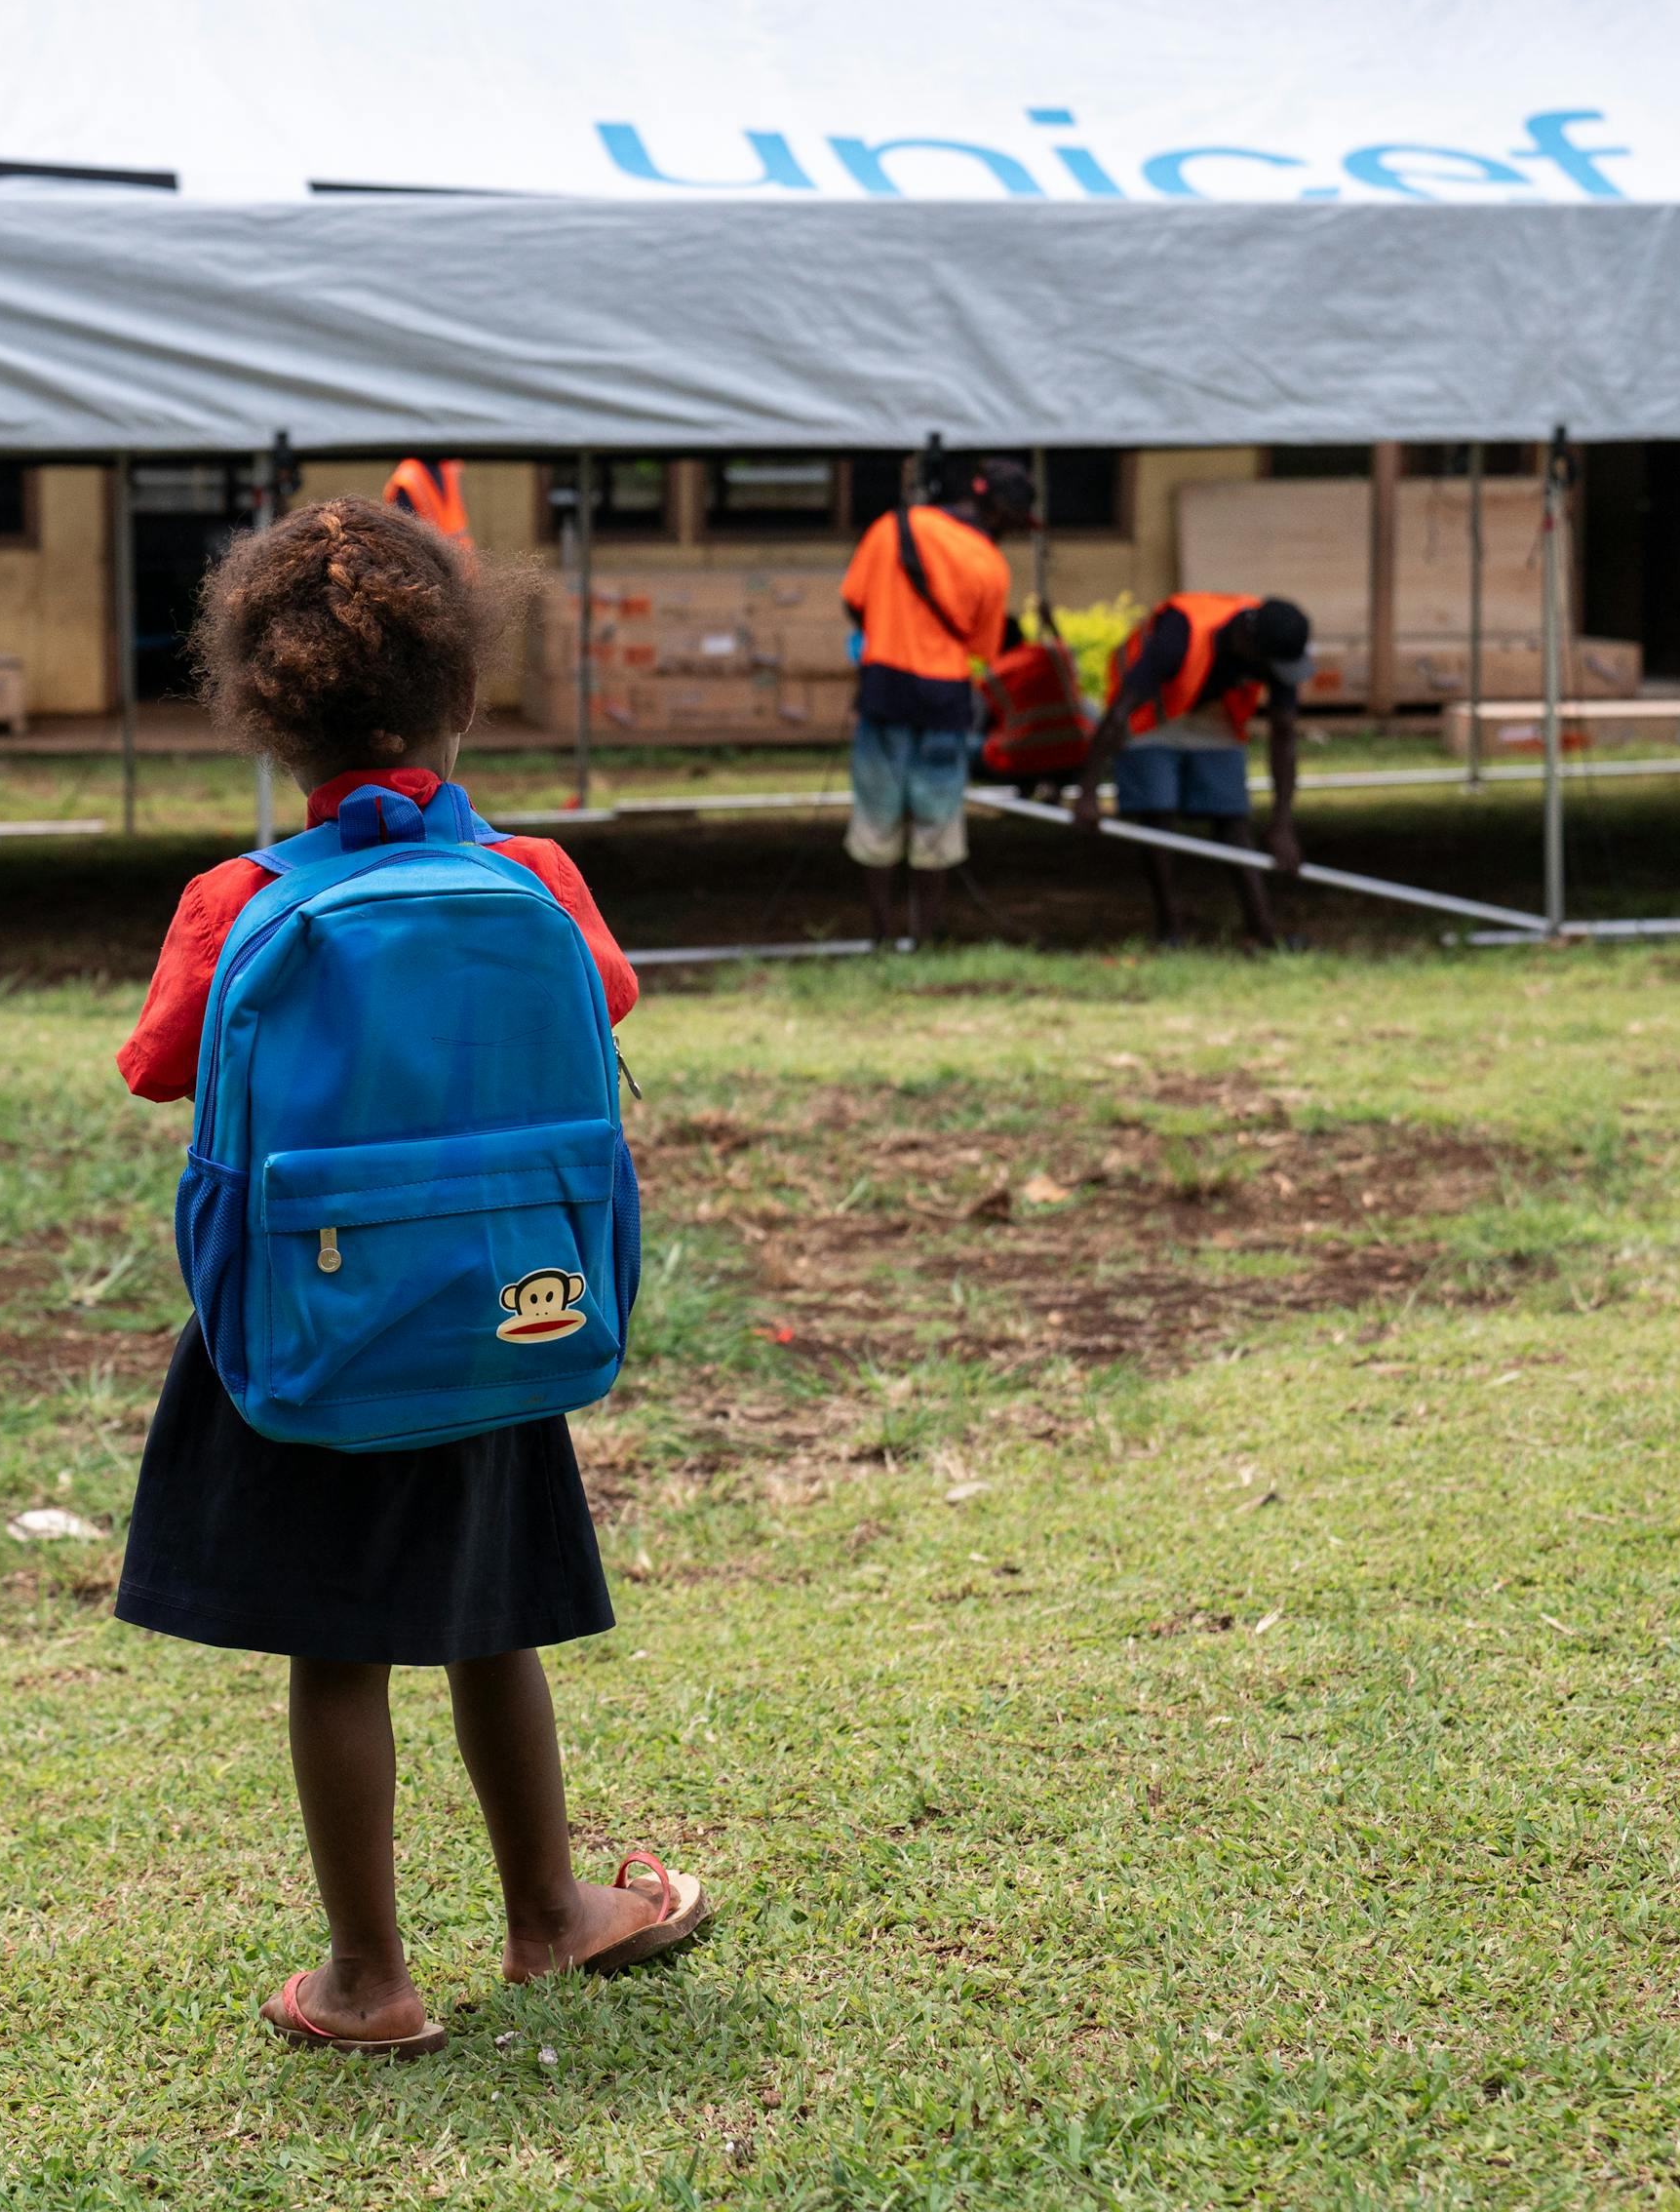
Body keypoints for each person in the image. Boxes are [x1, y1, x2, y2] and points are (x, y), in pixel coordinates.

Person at [113, 497, 715, 2057]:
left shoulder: (236, 901)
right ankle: (553, 1915)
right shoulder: (538, 875)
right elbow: (614, 999)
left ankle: (368, 1979)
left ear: (263, 713)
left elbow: (154, 1066)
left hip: (309, 1334)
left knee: (339, 1649)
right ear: (462, 697)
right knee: (493, 1621)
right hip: (508, 1319)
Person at [838, 456, 1021, 949]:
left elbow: (854, 599)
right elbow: (985, 647)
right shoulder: (989, 563)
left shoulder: (890, 528)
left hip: (884, 690)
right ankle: (924, 939)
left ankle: (881, 938)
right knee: (936, 821)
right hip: (945, 699)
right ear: (999, 510)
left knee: (877, 816)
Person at [1074, 590, 1315, 946]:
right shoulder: (1180, 635)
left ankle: (1263, 931)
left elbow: (1284, 734)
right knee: (1157, 815)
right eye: (1270, 665)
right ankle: (1172, 930)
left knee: (1232, 818)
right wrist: (1088, 792)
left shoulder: (1277, 644)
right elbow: (1121, 711)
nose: (1276, 675)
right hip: (1149, 711)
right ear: (1247, 643)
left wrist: (1282, 824)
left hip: (1210, 713)